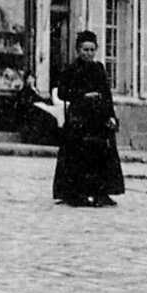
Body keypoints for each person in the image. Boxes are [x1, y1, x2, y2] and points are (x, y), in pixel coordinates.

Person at [52, 31, 124, 207]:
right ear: (78, 50)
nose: (89, 53)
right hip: (79, 119)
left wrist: (111, 117)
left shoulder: (99, 69)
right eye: (85, 49)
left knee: (102, 156)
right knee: (77, 157)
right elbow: (62, 92)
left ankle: (101, 193)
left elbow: (107, 95)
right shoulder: (71, 70)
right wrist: (83, 95)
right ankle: (75, 193)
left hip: (98, 119)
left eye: (92, 49)